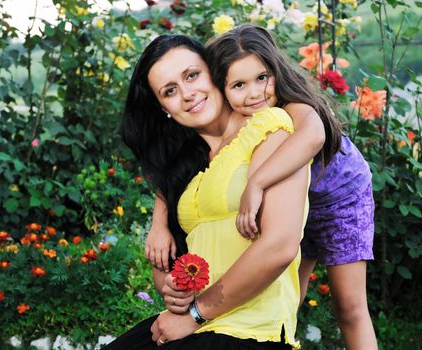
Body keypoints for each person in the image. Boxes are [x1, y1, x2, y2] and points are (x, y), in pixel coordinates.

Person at [145, 25, 378, 349]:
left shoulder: (289, 106)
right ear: (220, 83)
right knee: (276, 294)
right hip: (291, 199)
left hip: (340, 198)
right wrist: (159, 223)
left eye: (261, 78)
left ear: (275, 72)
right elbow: (173, 175)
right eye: (239, 84)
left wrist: (256, 183)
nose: (254, 93)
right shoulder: (228, 125)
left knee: (349, 306)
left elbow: (313, 137)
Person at [105, 33, 310, 349]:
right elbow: (168, 271)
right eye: (170, 91)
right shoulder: (187, 169)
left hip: (250, 329)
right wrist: (174, 287)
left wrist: (195, 314)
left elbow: (279, 246)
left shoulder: (267, 125)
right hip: (197, 323)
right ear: (164, 109)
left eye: (192, 75)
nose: (187, 94)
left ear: (215, 72)